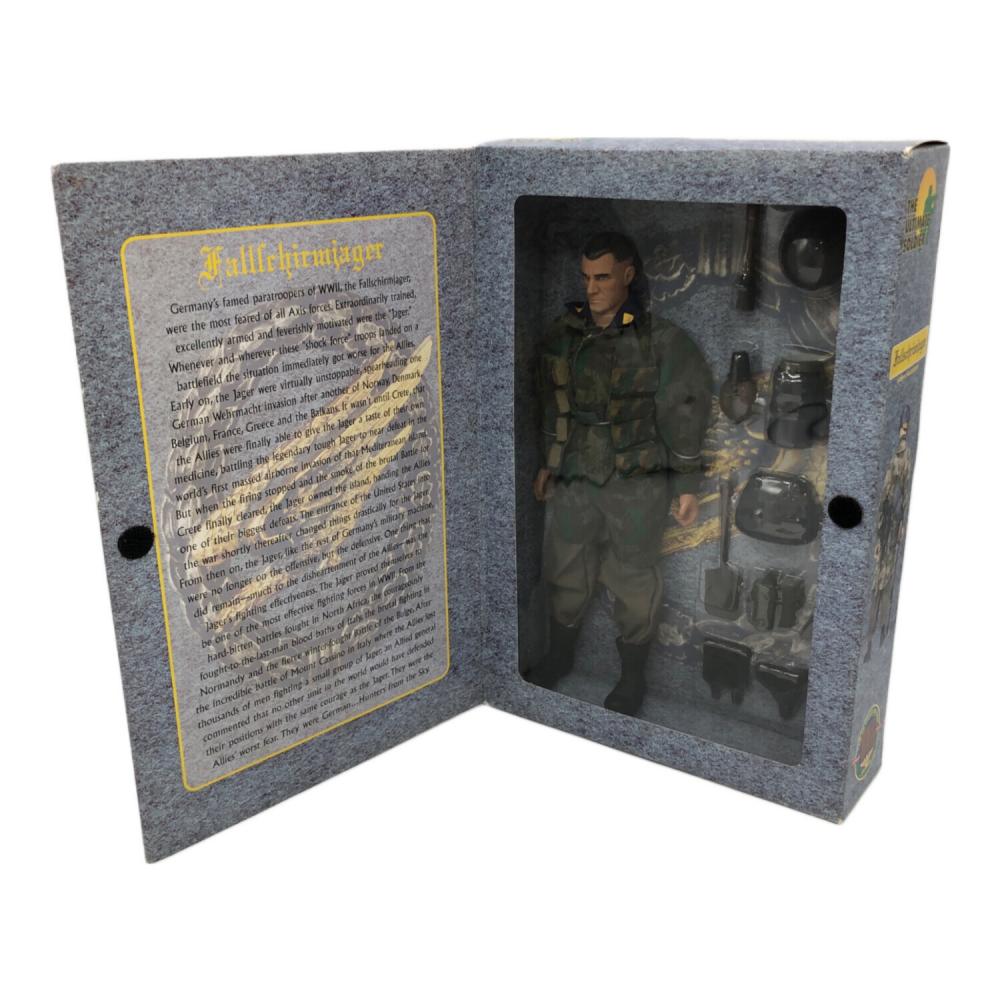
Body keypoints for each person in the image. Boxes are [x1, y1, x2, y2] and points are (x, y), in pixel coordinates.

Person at [525, 231, 713, 716]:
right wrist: (548, 463)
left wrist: (686, 486)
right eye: (586, 277)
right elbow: (551, 404)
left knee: (634, 575)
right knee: (566, 566)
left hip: (637, 477)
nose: (592, 288)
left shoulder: (662, 342)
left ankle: (632, 679)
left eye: (603, 277)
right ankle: (560, 656)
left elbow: (685, 416)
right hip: (575, 471)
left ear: (628, 275)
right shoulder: (564, 336)